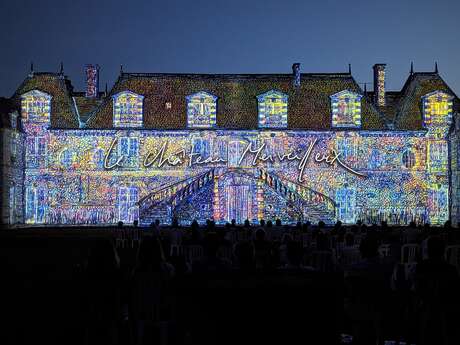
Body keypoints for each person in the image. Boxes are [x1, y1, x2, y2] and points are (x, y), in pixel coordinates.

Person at [414, 236, 460, 345]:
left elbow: (417, 289)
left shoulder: (421, 267)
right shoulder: (451, 270)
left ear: (428, 250)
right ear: (443, 250)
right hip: (446, 310)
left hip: (426, 308)